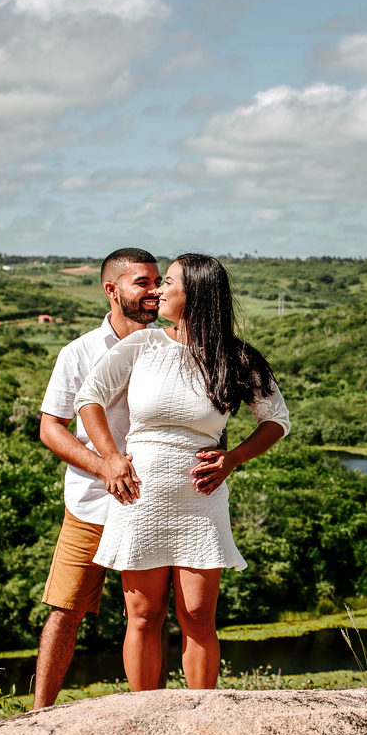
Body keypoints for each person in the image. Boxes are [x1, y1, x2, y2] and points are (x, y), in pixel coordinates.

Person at [74, 253, 290, 691]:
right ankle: (142, 714)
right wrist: (111, 459)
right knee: (144, 614)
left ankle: (200, 716)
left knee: (196, 615)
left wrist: (234, 458)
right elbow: (88, 398)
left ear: (194, 294)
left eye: (167, 281)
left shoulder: (236, 357)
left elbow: (277, 420)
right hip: (139, 496)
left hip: (200, 498)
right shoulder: (142, 345)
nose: (157, 290)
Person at [33, 247, 163, 709]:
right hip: (90, 500)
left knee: (147, 615)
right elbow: (51, 427)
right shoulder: (80, 352)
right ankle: (37, 716)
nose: (155, 291)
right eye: (142, 283)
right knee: (65, 610)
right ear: (112, 290)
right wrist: (103, 464)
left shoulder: (172, 346)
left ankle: (150, 714)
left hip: (153, 501)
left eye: (158, 281)